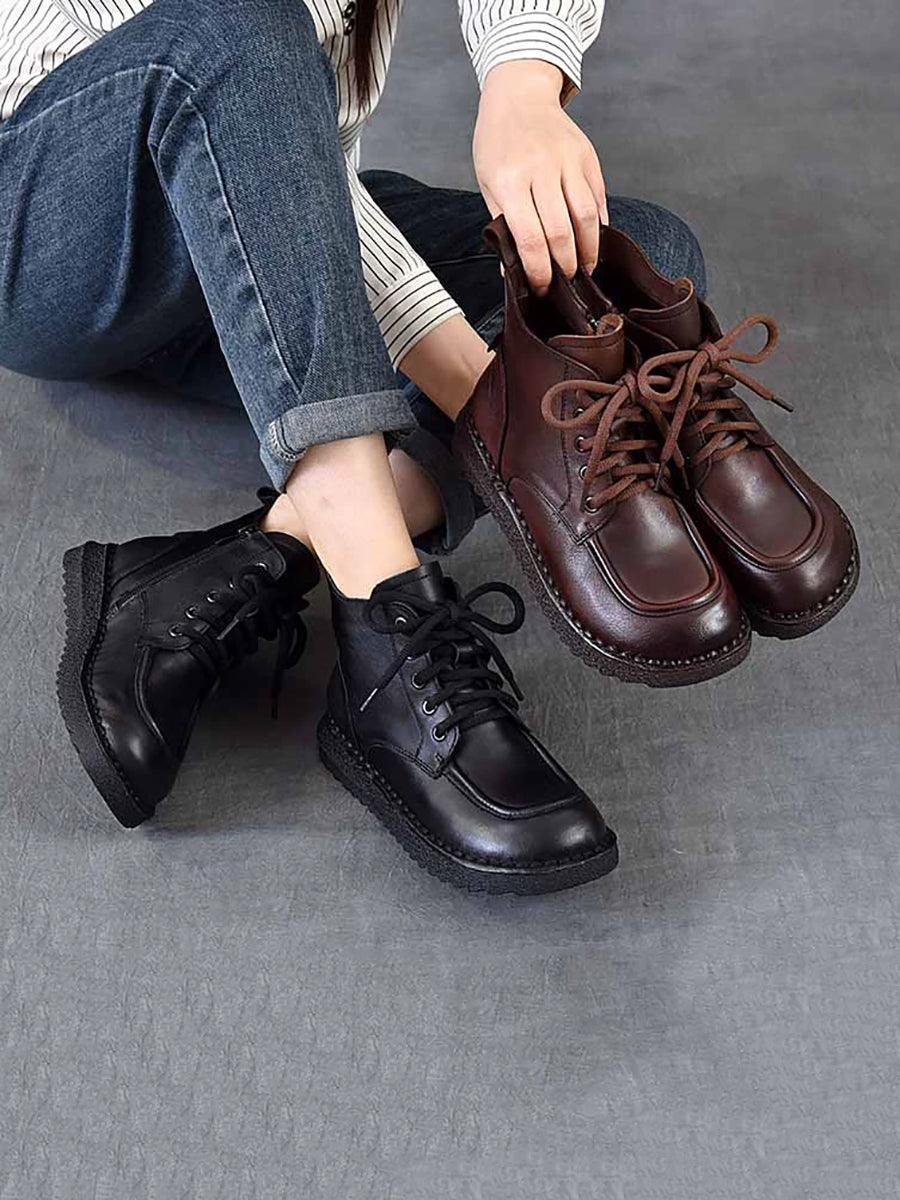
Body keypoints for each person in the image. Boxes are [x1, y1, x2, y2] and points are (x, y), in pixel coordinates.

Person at [0, 0, 856, 893]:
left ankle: (258, 556)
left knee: (616, 263)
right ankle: (383, 620)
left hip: (255, 217)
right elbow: (216, 63)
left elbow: (282, 166)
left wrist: (524, 87)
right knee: (242, 27)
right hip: (58, 230)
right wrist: (497, 407)